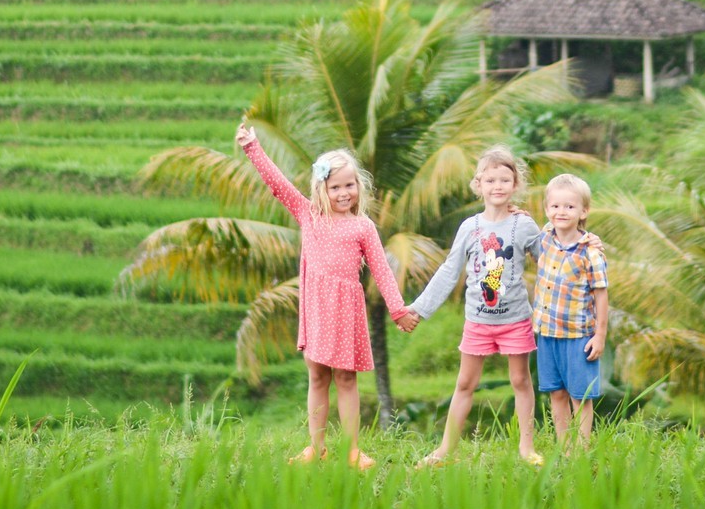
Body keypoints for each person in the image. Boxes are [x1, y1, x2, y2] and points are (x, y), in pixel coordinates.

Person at [236, 122, 415, 469]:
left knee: (346, 379)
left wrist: (397, 310)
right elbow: (277, 184)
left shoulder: (363, 226)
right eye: (335, 187)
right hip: (316, 307)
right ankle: (315, 448)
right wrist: (252, 146)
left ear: (358, 187)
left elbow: (381, 269)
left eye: (349, 185)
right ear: (323, 188)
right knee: (317, 376)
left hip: (346, 309)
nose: (343, 192)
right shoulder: (308, 215)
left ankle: (352, 450)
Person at [406, 147, 567, 467]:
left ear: (515, 184)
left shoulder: (523, 225)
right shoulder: (469, 227)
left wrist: (578, 240)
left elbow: (550, 258)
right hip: (477, 321)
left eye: (505, 179)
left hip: (516, 319)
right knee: (465, 384)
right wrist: (419, 308)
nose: (497, 185)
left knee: (521, 381)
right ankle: (445, 450)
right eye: (490, 179)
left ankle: (526, 448)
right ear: (478, 184)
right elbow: (449, 271)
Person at [532, 173, 609, 452]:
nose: (561, 212)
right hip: (547, 333)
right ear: (546, 209)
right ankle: (564, 449)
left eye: (569, 207)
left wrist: (600, 335)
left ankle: (582, 449)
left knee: (581, 396)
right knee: (556, 392)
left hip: (578, 335)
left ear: (584, 211)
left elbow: (601, 294)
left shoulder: (591, 252)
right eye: (555, 206)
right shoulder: (544, 238)